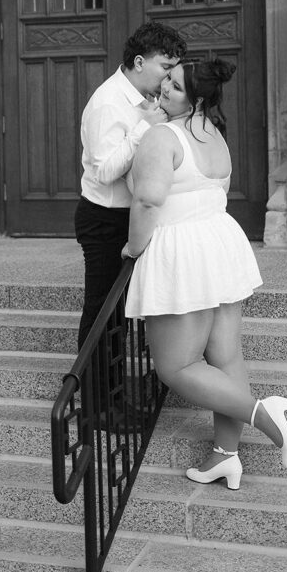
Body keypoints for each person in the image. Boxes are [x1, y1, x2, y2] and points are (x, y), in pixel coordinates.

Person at [122, 58, 287, 487]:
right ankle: (225, 454)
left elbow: (147, 202)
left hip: (182, 249)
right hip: (218, 242)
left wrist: (132, 248)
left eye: (175, 87)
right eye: (166, 80)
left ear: (196, 97)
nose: (164, 89)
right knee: (225, 356)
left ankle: (262, 413)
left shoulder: (163, 137)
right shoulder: (213, 133)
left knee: (175, 367)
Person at [75, 21, 186, 354]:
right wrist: (143, 129)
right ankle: (97, 403)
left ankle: (117, 397)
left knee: (121, 314)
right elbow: (105, 170)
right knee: (103, 312)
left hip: (130, 216)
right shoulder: (108, 102)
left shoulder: (144, 100)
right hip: (104, 219)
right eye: (164, 68)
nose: (167, 79)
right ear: (139, 62)